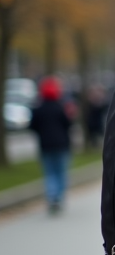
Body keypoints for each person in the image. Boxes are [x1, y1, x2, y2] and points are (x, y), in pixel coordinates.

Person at [28, 76, 74, 214]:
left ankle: (52, 196)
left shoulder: (38, 109)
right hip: (62, 145)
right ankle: (59, 197)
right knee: (61, 172)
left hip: (45, 145)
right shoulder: (60, 108)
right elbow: (68, 124)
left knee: (50, 173)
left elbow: (32, 126)